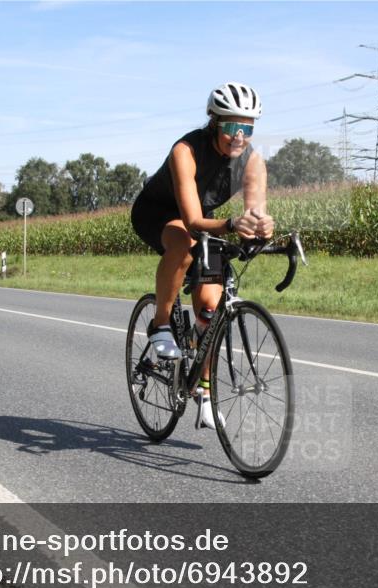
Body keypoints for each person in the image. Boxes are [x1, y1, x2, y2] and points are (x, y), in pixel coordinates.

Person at [131, 81, 275, 429]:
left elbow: (254, 211)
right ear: (214, 122)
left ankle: (205, 394)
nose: (238, 136)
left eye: (247, 127)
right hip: (159, 214)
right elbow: (193, 221)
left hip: (207, 223)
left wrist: (262, 227)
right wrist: (230, 223)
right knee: (183, 242)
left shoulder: (253, 162)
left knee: (210, 312)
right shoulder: (186, 150)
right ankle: (160, 324)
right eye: (230, 127)